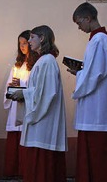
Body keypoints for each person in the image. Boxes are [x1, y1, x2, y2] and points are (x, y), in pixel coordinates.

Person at [68, 2, 107, 182]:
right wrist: (81, 72)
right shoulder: (98, 39)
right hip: (96, 105)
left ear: (88, 18)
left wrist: (80, 74)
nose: (79, 27)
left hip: (98, 109)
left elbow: (97, 72)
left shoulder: (99, 40)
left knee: (99, 156)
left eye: (79, 23)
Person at [11, 25, 67, 182]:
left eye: (32, 37)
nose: (29, 41)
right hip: (40, 122)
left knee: (42, 168)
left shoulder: (47, 61)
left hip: (44, 124)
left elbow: (47, 93)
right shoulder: (42, 61)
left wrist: (24, 93)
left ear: (42, 38)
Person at [2, 30, 32, 179]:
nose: (22, 46)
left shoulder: (35, 64)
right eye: (20, 43)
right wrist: (12, 86)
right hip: (16, 106)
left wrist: (21, 85)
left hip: (27, 106)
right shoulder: (18, 65)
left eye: (25, 42)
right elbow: (9, 86)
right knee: (15, 135)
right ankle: (13, 171)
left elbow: (35, 86)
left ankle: (25, 170)